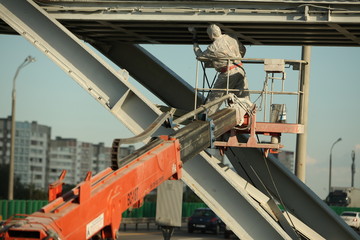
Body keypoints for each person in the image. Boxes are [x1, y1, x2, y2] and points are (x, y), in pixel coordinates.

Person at [193, 24, 250, 115]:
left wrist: (195, 42)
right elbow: (243, 49)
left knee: (215, 98)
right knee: (242, 98)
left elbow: (200, 56)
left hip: (228, 73)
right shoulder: (231, 37)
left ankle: (207, 117)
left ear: (210, 35)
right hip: (240, 69)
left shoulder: (213, 47)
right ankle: (246, 116)